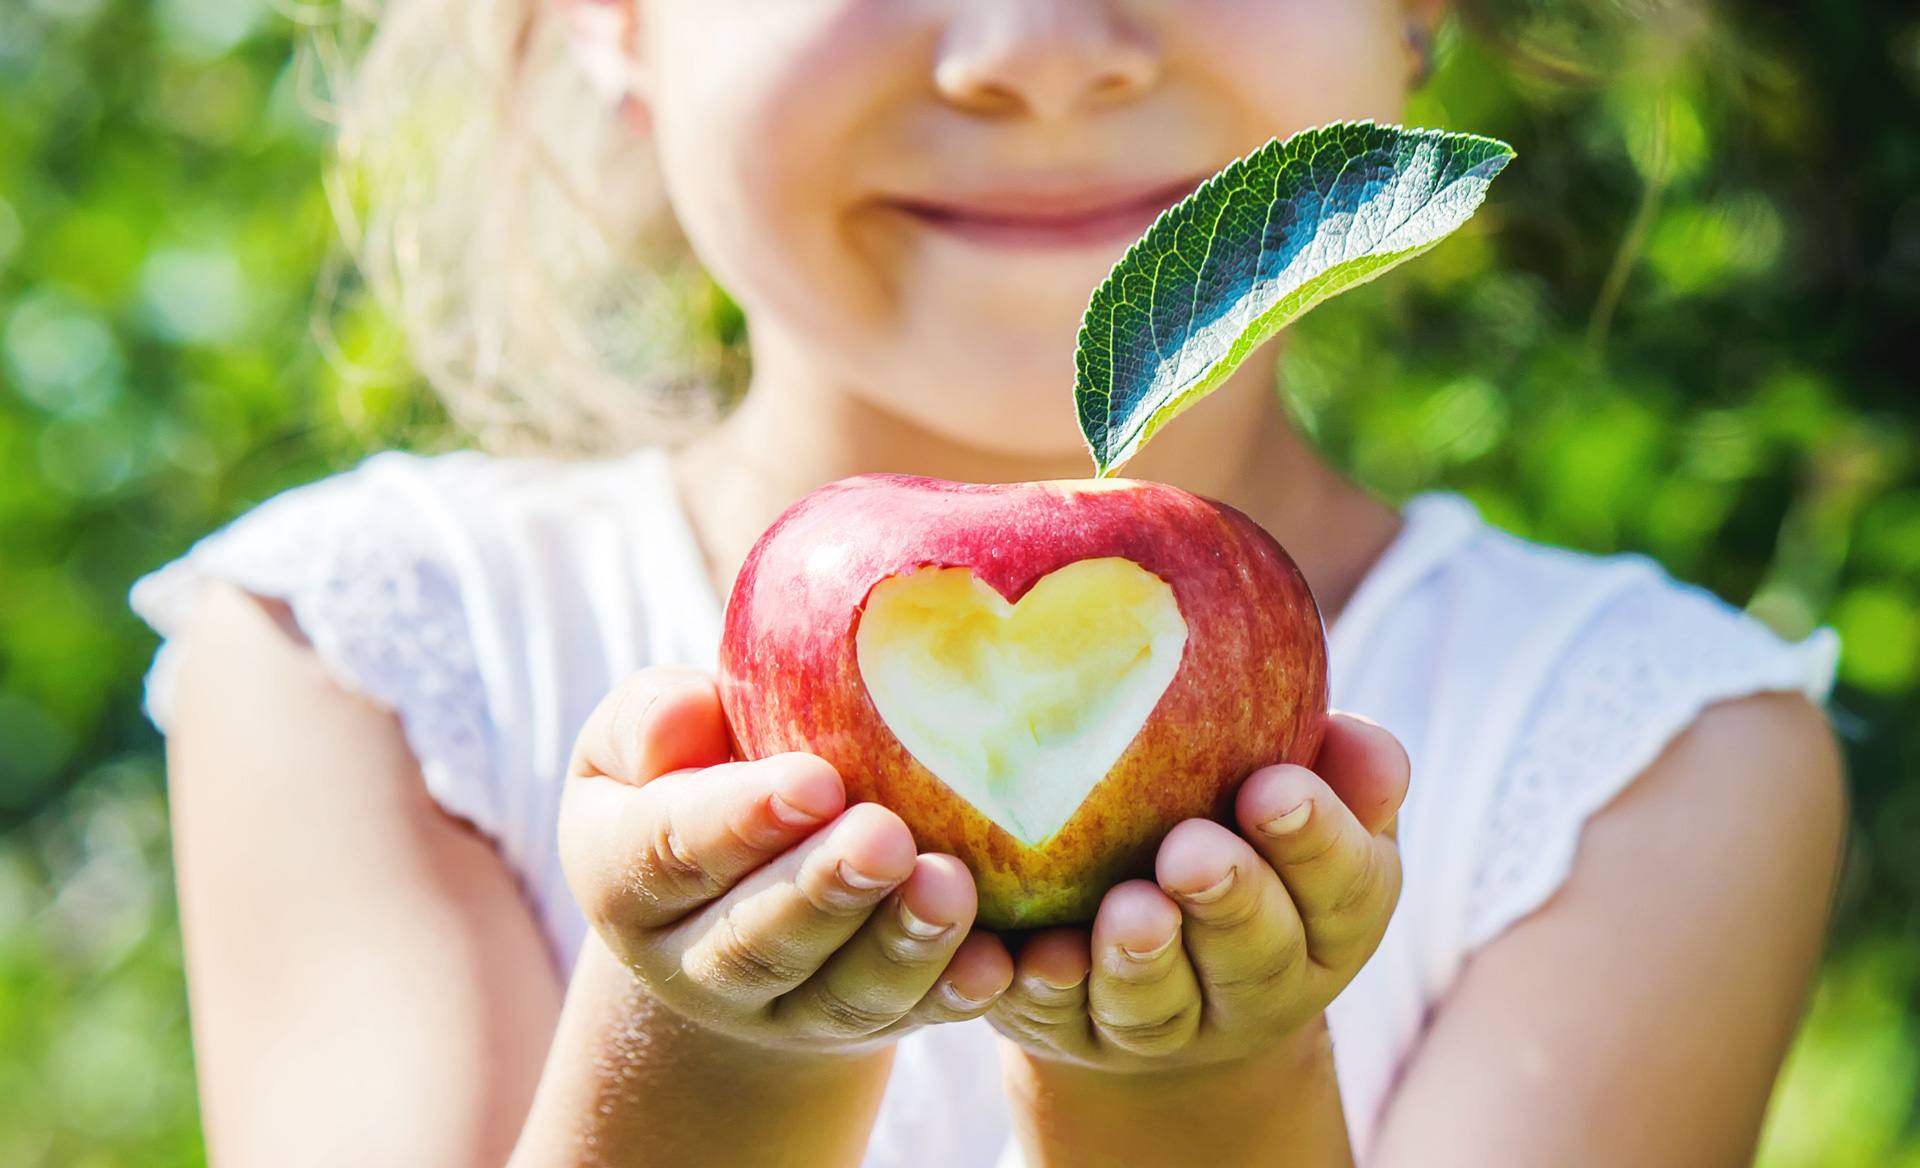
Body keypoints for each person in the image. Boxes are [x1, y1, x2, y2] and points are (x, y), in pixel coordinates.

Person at [130, 1, 1846, 1165]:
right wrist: (721, 1053)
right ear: (612, 14)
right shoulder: (366, 661)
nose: (1037, 55)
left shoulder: (1647, 760)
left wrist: (1201, 1084)